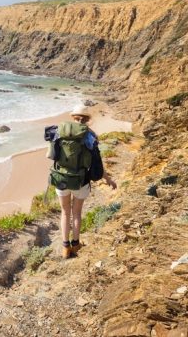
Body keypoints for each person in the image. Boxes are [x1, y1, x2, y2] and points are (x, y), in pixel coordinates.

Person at [55, 104, 117, 259]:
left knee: (64, 212)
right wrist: (107, 179)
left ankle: (65, 248)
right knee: (76, 213)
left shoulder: (60, 131)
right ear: (88, 120)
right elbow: (97, 162)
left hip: (61, 178)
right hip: (81, 180)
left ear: (72, 117)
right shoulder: (90, 136)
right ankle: (76, 245)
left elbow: (51, 154)